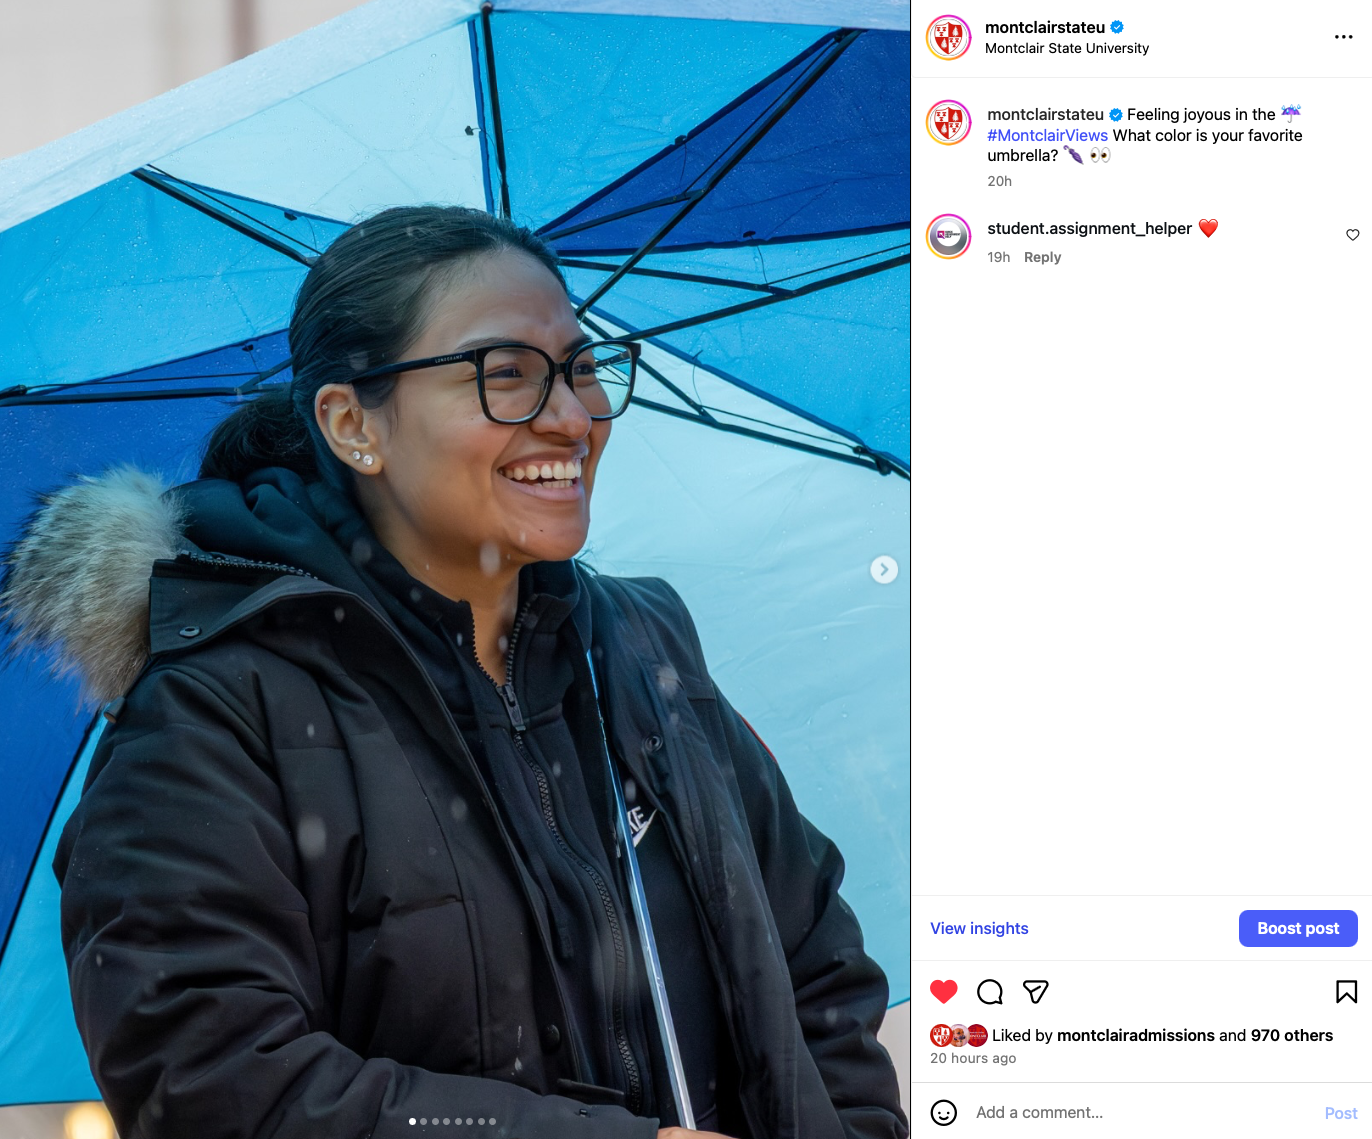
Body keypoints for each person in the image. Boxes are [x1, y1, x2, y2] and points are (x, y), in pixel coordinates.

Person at [2, 206, 907, 1139]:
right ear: (354, 423)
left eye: (581, 368)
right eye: (504, 374)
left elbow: (816, 960)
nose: (570, 418)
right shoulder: (217, 719)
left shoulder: (640, 648)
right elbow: (215, 1080)